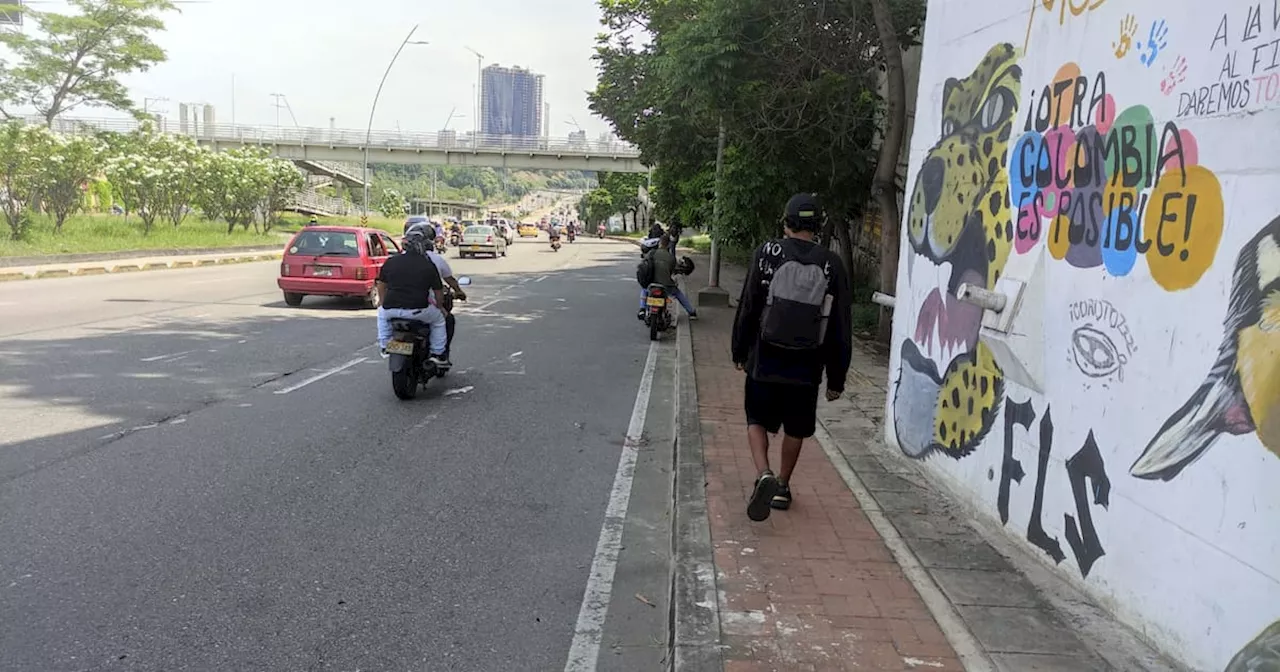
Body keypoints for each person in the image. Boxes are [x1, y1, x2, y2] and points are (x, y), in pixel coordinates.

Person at [731, 193, 852, 521]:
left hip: (764, 358)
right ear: (818, 226)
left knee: (755, 418)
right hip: (807, 365)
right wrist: (836, 378)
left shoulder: (766, 252)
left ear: (786, 222)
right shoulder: (832, 264)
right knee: (797, 427)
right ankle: (783, 485)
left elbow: (749, 306)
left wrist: (739, 351)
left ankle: (763, 473)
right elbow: (840, 324)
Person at [375, 227, 450, 367]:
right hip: (419, 311)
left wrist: (382, 301)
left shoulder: (391, 261)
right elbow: (438, 291)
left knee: (381, 314)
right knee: (439, 320)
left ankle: (385, 344)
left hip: (391, 309)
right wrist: (440, 307)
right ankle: (437, 354)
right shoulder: (428, 265)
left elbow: (381, 285)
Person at [405, 223, 467, 358]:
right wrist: (442, 305)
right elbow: (442, 286)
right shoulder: (432, 262)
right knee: (446, 320)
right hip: (423, 306)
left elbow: (382, 284)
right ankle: (440, 354)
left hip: (395, 306)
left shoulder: (395, 260)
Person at [638, 234, 697, 320]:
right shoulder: (671, 258)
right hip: (666, 286)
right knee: (678, 294)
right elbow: (673, 271)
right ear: (668, 244)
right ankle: (691, 312)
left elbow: (644, 263)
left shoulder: (652, 253)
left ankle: (642, 309)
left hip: (651, 283)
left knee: (644, 289)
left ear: (659, 243)